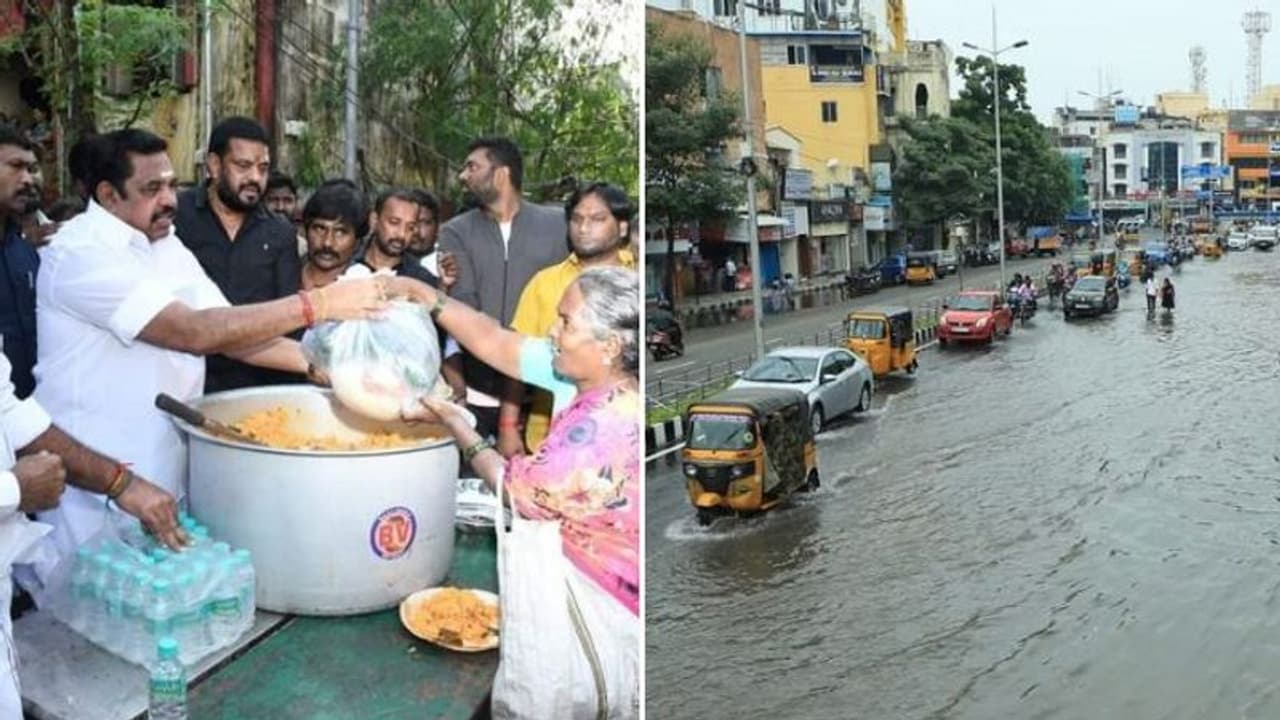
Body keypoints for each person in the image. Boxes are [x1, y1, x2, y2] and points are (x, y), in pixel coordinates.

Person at [33, 128, 386, 562]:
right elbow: (195, 332)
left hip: (159, 469)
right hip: (94, 484)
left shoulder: (163, 243)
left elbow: (234, 338)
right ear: (109, 195)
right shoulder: (81, 253)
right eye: (151, 188)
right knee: (85, 613)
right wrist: (321, 304)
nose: (169, 200)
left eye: (170, 183)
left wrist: (329, 370)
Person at [394, 267, 639, 716]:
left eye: (566, 322)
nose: (552, 329)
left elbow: (513, 489)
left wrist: (459, 426)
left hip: (592, 612)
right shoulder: (595, 380)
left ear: (609, 346)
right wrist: (426, 295)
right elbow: (494, 340)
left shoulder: (602, 429)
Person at [437, 136, 568, 444]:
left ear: (501, 173)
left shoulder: (560, 226)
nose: (463, 176)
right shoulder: (455, 231)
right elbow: (464, 305)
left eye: (472, 166)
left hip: (543, 396)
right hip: (475, 393)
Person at [176, 117, 303, 392]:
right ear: (214, 165)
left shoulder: (280, 233)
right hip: (184, 380)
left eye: (263, 168)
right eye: (243, 166)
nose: (255, 178)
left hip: (256, 387)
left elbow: (287, 318)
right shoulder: (175, 218)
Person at [508, 183, 635, 455]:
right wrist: (508, 426)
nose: (584, 228)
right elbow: (514, 359)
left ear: (622, 227)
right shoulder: (543, 283)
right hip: (548, 443)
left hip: (620, 444)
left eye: (597, 219)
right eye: (577, 219)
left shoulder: (635, 280)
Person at [0, 125, 42, 398]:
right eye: (16, 166)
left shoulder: (25, 252)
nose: (28, 179)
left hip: (30, 415)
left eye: (31, 169)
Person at [299, 180, 364, 291]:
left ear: (357, 241)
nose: (327, 242)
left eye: (340, 232)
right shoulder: (283, 275)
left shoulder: (364, 287)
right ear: (305, 231)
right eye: (319, 228)